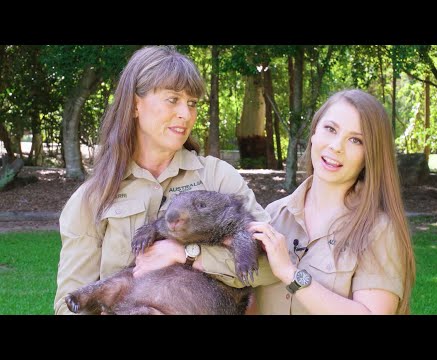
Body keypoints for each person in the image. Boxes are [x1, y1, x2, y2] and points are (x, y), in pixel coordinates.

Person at [140, 89, 416, 315]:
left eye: (355, 140)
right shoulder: (274, 215)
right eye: (330, 129)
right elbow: (249, 299)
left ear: (371, 155)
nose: (336, 147)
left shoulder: (377, 229)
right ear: (314, 134)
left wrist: (289, 273)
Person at [53, 45, 270, 315]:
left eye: (192, 103)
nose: (186, 114)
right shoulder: (93, 197)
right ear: (135, 105)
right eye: (173, 99)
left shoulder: (218, 178)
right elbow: (68, 305)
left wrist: (190, 255)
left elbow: (272, 269)